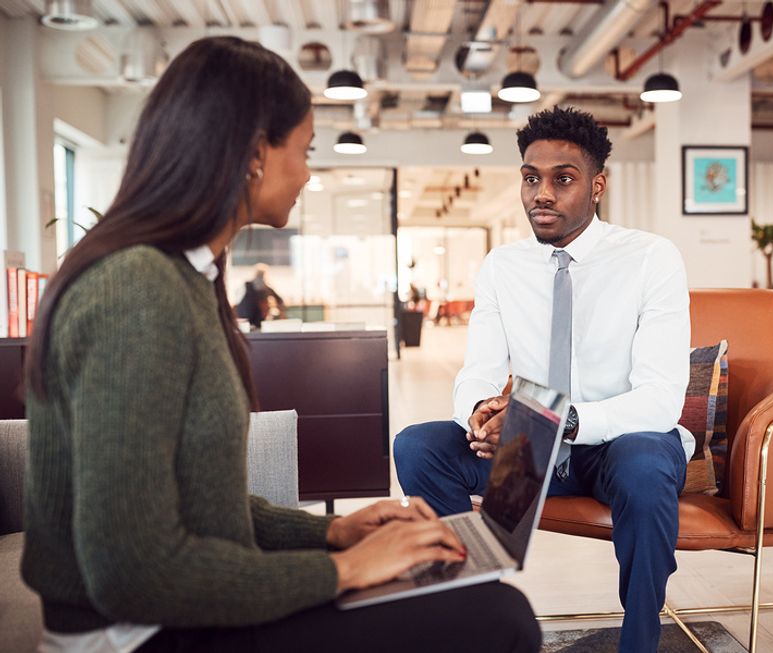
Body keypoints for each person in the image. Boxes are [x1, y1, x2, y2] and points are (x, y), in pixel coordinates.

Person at [21, 37, 540, 653]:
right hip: (139, 634)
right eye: (304, 149)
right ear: (252, 156)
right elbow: (134, 573)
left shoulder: (183, 276)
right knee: (498, 618)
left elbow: (196, 505)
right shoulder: (137, 290)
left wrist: (333, 533)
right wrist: (344, 570)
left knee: (474, 599)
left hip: (174, 613)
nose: (309, 172)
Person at [394, 107, 692, 653]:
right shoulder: (503, 266)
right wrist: (480, 413)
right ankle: (478, 612)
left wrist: (565, 419)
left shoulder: (651, 258)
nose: (542, 194)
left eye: (563, 178)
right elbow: (479, 371)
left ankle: (641, 639)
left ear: (597, 185)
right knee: (418, 446)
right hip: (529, 451)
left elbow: (660, 400)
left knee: (647, 463)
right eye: (532, 178)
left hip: (617, 446)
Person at [235, 263, 286, 329]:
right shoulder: (248, 286)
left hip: (252, 320)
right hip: (251, 319)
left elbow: (280, 301)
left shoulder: (248, 285)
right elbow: (280, 300)